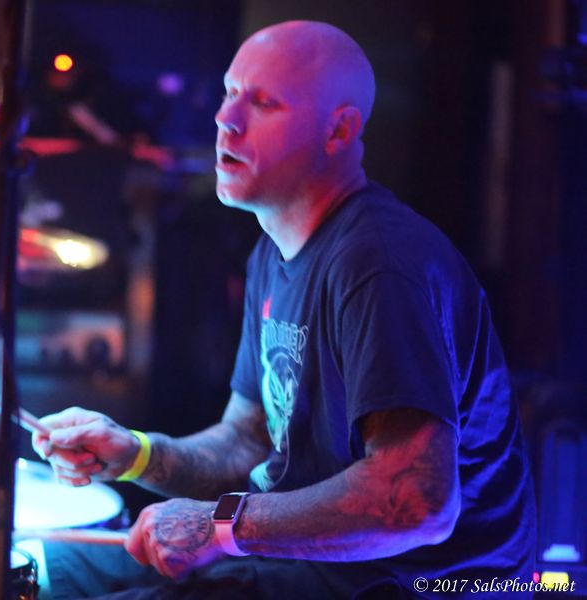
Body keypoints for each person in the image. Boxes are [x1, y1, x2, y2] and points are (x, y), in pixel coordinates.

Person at [30, 20, 536, 599]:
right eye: (229, 93)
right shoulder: (273, 250)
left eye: (263, 103)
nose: (226, 118)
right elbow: (249, 442)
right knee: (47, 570)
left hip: (416, 584)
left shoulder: (379, 264)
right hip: (301, 564)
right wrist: (137, 454)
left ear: (339, 129)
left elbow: (416, 502)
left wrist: (220, 527)